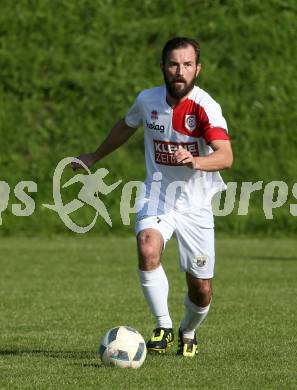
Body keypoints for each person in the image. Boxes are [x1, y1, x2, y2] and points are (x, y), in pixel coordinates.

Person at [71, 37, 233, 357]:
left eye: (187, 65)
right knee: (147, 245)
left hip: (196, 206)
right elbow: (126, 126)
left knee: (201, 290)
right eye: (173, 64)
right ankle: (163, 325)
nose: (179, 71)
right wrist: (94, 156)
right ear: (162, 67)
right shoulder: (148, 101)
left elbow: (225, 156)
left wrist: (197, 161)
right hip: (157, 195)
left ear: (197, 69)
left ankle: (188, 331)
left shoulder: (205, 107)